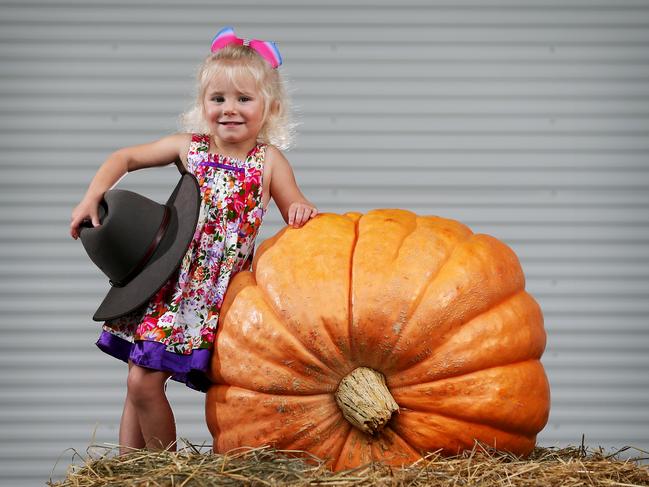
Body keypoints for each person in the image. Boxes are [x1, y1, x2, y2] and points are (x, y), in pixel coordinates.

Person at [69, 27, 318, 455]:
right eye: (217, 99)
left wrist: (300, 210)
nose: (229, 109)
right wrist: (92, 195)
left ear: (269, 107)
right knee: (139, 379)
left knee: (141, 380)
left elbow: (298, 209)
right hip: (171, 283)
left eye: (244, 99)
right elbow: (124, 158)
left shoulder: (270, 162)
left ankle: (163, 472)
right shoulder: (191, 149)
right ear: (203, 104)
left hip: (221, 296)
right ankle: (136, 469)